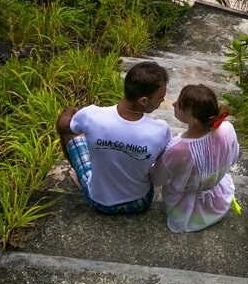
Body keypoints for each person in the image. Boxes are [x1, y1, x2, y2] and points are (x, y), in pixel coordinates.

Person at [56, 61, 170, 215]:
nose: (162, 101)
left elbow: (63, 126)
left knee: (70, 131)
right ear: (143, 101)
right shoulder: (160, 130)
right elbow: (160, 170)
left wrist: (71, 111)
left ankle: (81, 175)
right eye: (160, 98)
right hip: (139, 202)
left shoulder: (91, 115)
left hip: (99, 201)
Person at [152, 84, 239, 233]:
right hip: (218, 199)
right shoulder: (227, 128)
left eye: (179, 104)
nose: (173, 103)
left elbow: (157, 179)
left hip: (184, 209)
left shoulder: (177, 148)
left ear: (191, 118)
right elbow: (234, 156)